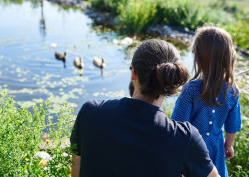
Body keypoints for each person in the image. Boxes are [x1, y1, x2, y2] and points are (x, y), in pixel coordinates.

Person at [70, 39, 220, 177]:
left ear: (133, 73)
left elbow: (76, 171)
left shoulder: (90, 113)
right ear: (173, 81)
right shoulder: (185, 138)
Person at [171, 26, 242, 177]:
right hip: (216, 148)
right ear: (228, 57)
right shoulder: (232, 91)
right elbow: (232, 126)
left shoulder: (190, 90)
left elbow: (178, 126)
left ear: (198, 58)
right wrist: (228, 145)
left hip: (191, 150)